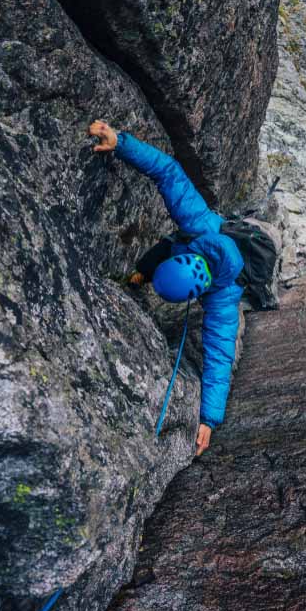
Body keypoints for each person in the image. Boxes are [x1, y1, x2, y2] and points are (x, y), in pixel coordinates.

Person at [89, 120, 243, 457]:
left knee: (164, 249)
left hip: (213, 256)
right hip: (192, 240)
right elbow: (168, 173)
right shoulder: (197, 224)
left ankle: (144, 273)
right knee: (161, 248)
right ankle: (142, 274)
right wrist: (120, 142)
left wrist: (208, 419)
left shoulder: (224, 299)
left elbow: (219, 354)